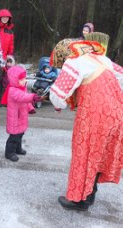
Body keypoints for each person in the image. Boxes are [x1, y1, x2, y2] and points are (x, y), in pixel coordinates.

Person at [49, 40, 123, 211]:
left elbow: (58, 94)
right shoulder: (102, 59)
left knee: (83, 155)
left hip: (93, 117)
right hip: (116, 114)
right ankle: (89, 196)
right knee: (97, 156)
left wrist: (59, 104)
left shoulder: (74, 62)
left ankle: (77, 200)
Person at [1, 65, 41, 162]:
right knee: (14, 136)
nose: (24, 81)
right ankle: (9, 152)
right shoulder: (13, 90)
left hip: (21, 117)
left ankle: (17, 149)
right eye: (21, 79)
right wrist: (33, 97)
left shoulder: (22, 88)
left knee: (20, 134)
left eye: (25, 79)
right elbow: (22, 97)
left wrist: (30, 108)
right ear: (14, 80)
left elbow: (25, 100)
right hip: (15, 118)